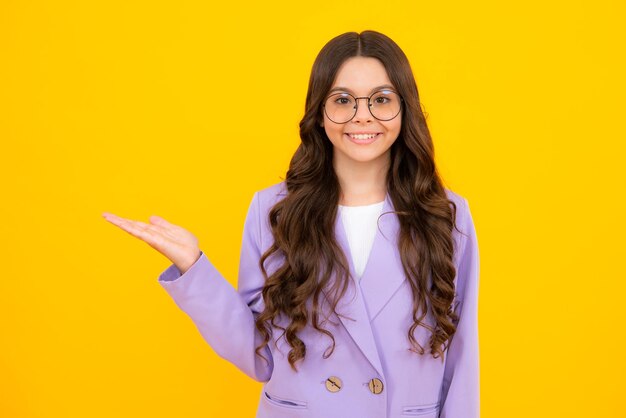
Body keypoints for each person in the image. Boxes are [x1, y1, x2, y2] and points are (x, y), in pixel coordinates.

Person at [102, 30, 480, 418]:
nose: (362, 115)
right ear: (319, 111)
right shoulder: (275, 210)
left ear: (405, 109)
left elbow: (461, 356)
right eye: (343, 100)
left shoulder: (446, 215)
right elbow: (259, 354)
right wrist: (193, 268)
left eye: (381, 99)